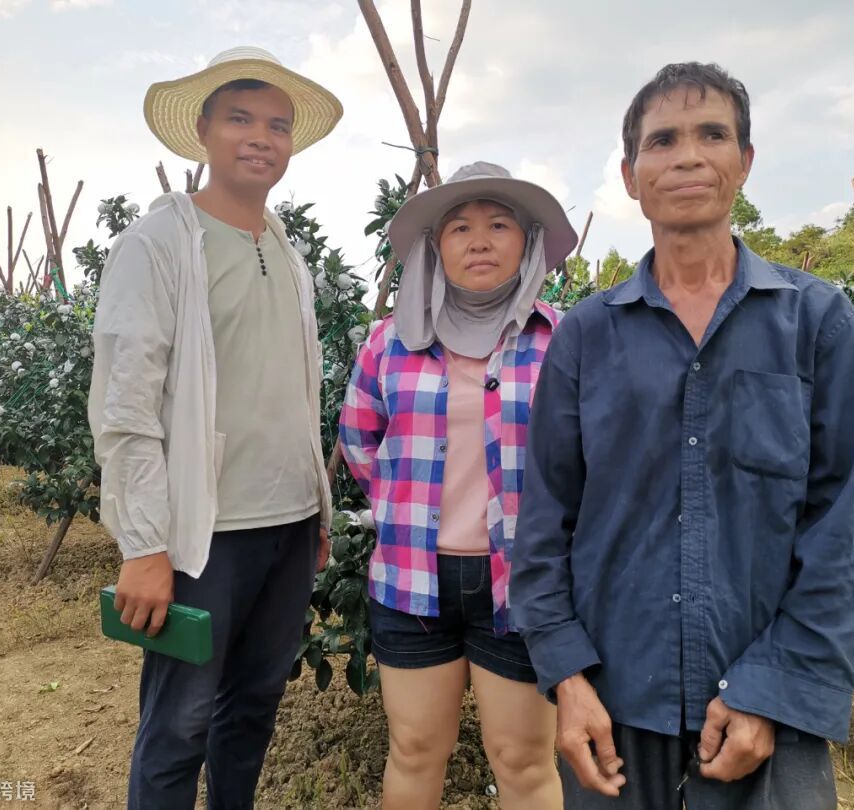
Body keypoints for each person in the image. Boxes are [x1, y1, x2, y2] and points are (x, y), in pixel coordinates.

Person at [511, 62, 854, 809]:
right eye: (662, 140)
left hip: (765, 709)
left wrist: (772, 688)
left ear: (745, 162)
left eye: (712, 134)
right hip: (613, 702)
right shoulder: (586, 335)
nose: (687, 157)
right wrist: (567, 677)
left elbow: (837, 531)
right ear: (630, 176)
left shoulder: (816, 322)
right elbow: (545, 522)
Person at [87, 46, 342, 809]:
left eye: (277, 125)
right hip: (204, 535)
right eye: (240, 118)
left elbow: (296, 393)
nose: (261, 137)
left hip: (287, 526)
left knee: (254, 708)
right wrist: (143, 544)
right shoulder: (158, 244)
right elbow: (126, 404)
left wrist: (317, 509)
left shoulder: (288, 254)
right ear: (202, 130)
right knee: (178, 727)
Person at [339, 162, 577, 809]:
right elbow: (359, 442)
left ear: (527, 242)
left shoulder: (562, 340)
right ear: (436, 246)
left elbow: (589, 459)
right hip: (411, 581)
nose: (479, 241)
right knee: (415, 749)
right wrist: (407, 507)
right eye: (460, 227)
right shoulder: (389, 344)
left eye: (499, 225)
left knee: (523, 759)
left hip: (524, 584)